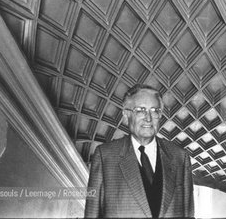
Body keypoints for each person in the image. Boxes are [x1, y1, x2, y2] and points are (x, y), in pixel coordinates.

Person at [84, 84, 195, 218]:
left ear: (160, 115)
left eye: (154, 110)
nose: (148, 118)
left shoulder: (180, 157)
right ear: (126, 114)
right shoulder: (105, 156)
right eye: (140, 110)